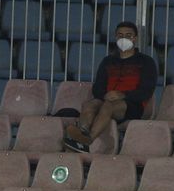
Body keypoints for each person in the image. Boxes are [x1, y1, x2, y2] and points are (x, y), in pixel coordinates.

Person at [63, 21, 158, 152]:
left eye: (128, 35)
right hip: (105, 100)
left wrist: (122, 95)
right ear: (116, 37)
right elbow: (98, 87)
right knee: (89, 105)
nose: (124, 38)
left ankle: (87, 140)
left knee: (108, 106)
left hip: (132, 105)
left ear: (135, 38)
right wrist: (104, 95)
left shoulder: (146, 62)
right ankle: (81, 134)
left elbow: (146, 90)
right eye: (120, 35)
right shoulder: (108, 61)